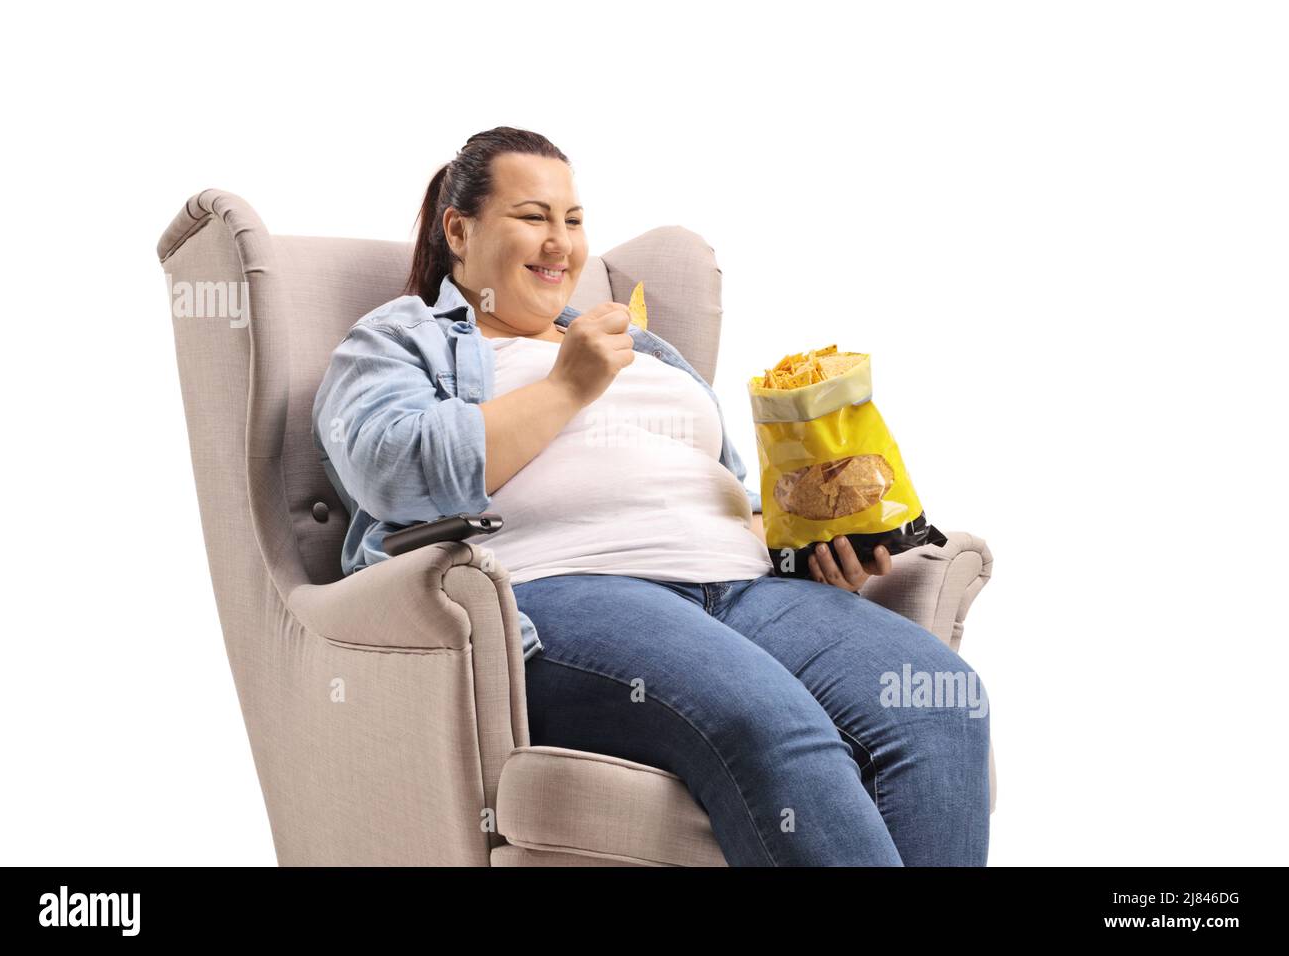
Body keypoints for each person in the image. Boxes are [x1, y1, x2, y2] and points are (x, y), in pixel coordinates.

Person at [311, 126, 990, 866]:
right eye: (532, 217)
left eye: (572, 221)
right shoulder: (403, 338)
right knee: (764, 718)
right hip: (567, 588)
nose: (560, 243)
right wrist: (568, 385)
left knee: (942, 704)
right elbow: (389, 469)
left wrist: (810, 546)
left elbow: (724, 490)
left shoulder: (646, 349)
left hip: (744, 588)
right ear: (459, 230)